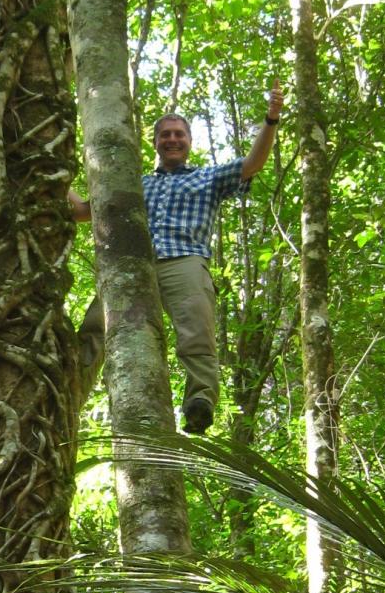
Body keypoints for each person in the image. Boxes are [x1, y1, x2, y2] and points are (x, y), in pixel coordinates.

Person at [72, 85, 284, 433]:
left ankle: (199, 401)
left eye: (179, 134)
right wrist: (58, 174)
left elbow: (252, 165)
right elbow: (84, 211)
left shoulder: (207, 177)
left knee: (196, 331)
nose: (172, 139)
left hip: (184, 259)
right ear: (154, 142)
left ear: (189, 141)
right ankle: (69, 395)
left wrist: (271, 119)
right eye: (165, 135)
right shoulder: (135, 184)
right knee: (97, 327)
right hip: (132, 265)